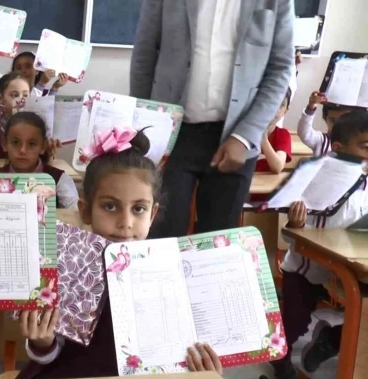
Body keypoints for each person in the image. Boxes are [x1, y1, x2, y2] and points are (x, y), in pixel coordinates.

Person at [15, 128, 222, 379]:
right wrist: (42, 342)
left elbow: (175, 356)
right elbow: (49, 356)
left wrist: (201, 367)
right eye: (110, 206)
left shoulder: (171, 272)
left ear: (153, 214)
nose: (126, 222)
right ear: (86, 211)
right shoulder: (69, 264)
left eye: (138, 209)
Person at [131, 0, 294, 237]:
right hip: (172, 133)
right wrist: (143, 126)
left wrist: (245, 136)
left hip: (237, 136)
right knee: (161, 233)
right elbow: (144, 55)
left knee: (218, 242)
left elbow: (281, 68)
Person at [272, 110, 368, 379]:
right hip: (308, 266)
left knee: (363, 316)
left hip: (349, 265)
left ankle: (331, 340)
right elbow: (295, 229)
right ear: (338, 148)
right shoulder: (319, 177)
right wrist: (296, 222)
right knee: (295, 322)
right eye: (364, 147)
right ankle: (280, 357)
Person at [0, 112, 78, 209]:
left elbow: (75, 212)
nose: (23, 150)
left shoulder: (59, 179)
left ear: (43, 147)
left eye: (32, 144)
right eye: (15, 142)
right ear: (4, 144)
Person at [297, 91, 361, 157]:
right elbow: (304, 133)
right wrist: (311, 107)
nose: (336, 125)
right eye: (332, 120)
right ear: (325, 119)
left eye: (341, 120)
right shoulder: (321, 140)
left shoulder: (356, 144)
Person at [257, 88, 293, 174]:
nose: (275, 109)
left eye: (281, 105)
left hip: (265, 181)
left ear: (286, 111)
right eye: (272, 102)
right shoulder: (246, 129)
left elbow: (278, 167)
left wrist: (263, 139)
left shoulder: (283, 134)